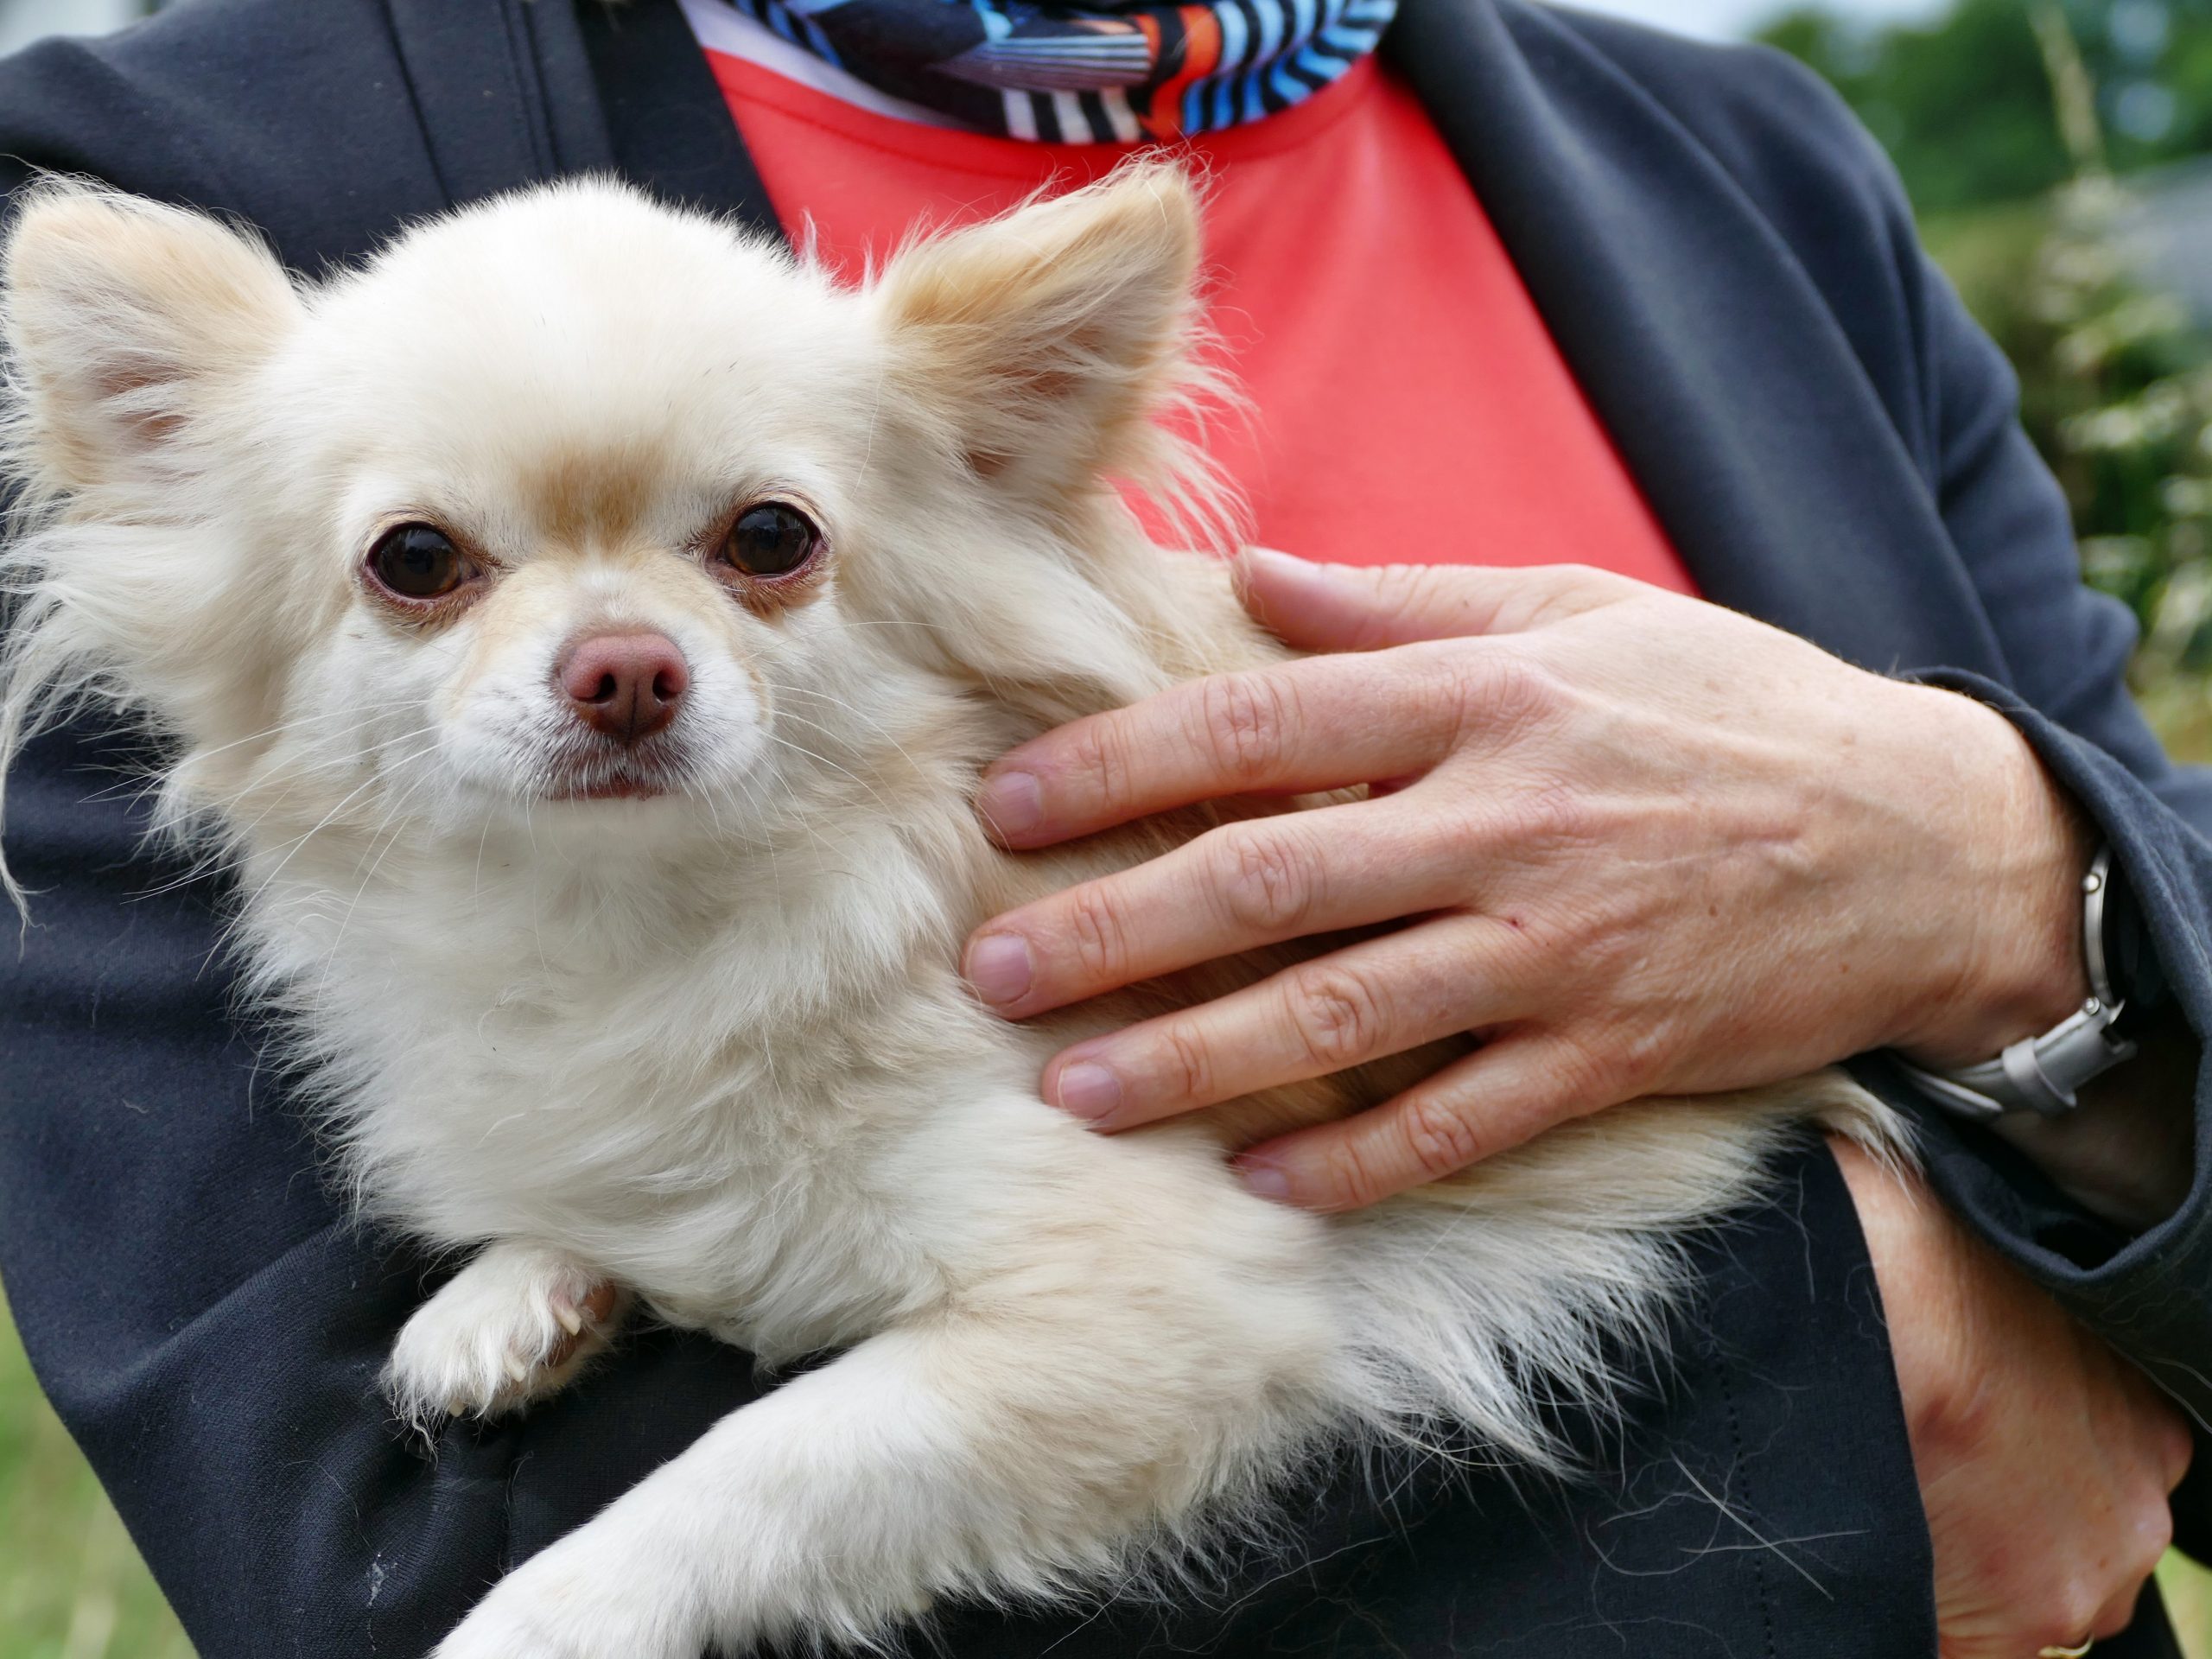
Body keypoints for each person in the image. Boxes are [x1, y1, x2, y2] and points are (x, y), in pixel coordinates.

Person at [0, 0, 2200, 1655]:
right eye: (422, 565)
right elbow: (368, 1559)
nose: (617, 656)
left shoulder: (1761, 169)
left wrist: (2019, 877)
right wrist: (1851, 1413)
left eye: (762, 542)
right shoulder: (170, 165)